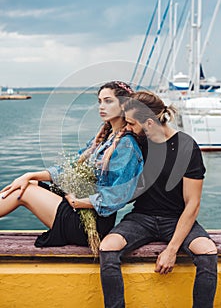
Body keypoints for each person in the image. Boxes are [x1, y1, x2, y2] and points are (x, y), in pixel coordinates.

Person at [99, 91, 217, 308]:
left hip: (176, 219)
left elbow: (193, 203)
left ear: (150, 123)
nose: (128, 127)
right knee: (108, 247)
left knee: (207, 251)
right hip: (141, 218)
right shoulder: (136, 142)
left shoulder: (186, 147)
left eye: (132, 123)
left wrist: (171, 250)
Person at [0, 81, 143, 248]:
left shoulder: (126, 145)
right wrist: (29, 175)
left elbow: (118, 195)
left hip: (92, 225)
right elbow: (70, 169)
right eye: (99, 101)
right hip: (79, 209)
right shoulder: (105, 138)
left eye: (108, 101)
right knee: (28, 183)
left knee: (26, 192)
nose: (101, 106)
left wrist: (79, 202)